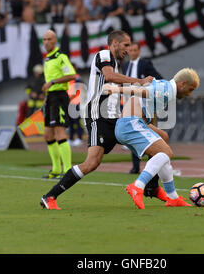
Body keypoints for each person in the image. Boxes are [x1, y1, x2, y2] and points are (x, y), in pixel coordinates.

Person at [39, 29, 154, 210]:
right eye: (125, 45)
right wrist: (139, 81)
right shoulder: (104, 55)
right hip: (98, 116)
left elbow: (115, 87)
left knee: (151, 142)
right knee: (92, 162)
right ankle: (50, 197)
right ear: (114, 43)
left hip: (114, 117)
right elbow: (109, 77)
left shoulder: (116, 63)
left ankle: (156, 190)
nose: (128, 49)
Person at [108, 68, 201, 209]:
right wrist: (115, 89)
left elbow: (145, 92)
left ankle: (173, 197)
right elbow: (143, 92)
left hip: (132, 123)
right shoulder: (167, 89)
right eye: (190, 89)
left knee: (163, 138)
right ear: (182, 84)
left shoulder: (165, 86)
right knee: (166, 153)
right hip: (131, 124)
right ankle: (138, 186)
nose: (189, 94)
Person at [41, 30, 77, 179]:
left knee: (59, 132)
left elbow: (71, 74)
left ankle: (67, 169)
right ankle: (56, 169)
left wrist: (53, 82)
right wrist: (46, 96)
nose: (46, 42)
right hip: (51, 97)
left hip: (60, 97)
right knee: (48, 134)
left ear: (55, 40)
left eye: (49, 39)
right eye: (44, 39)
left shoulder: (60, 57)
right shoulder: (48, 59)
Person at [123, 42, 163, 174]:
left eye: (135, 50)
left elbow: (159, 79)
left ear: (139, 51)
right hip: (131, 107)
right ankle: (135, 167)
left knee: (151, 135)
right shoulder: (125, 66)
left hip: (146, 106)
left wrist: (147, 87)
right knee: (134, 136)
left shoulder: (145, 64)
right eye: (131, 50)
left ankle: (152, 167)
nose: (133, 53)